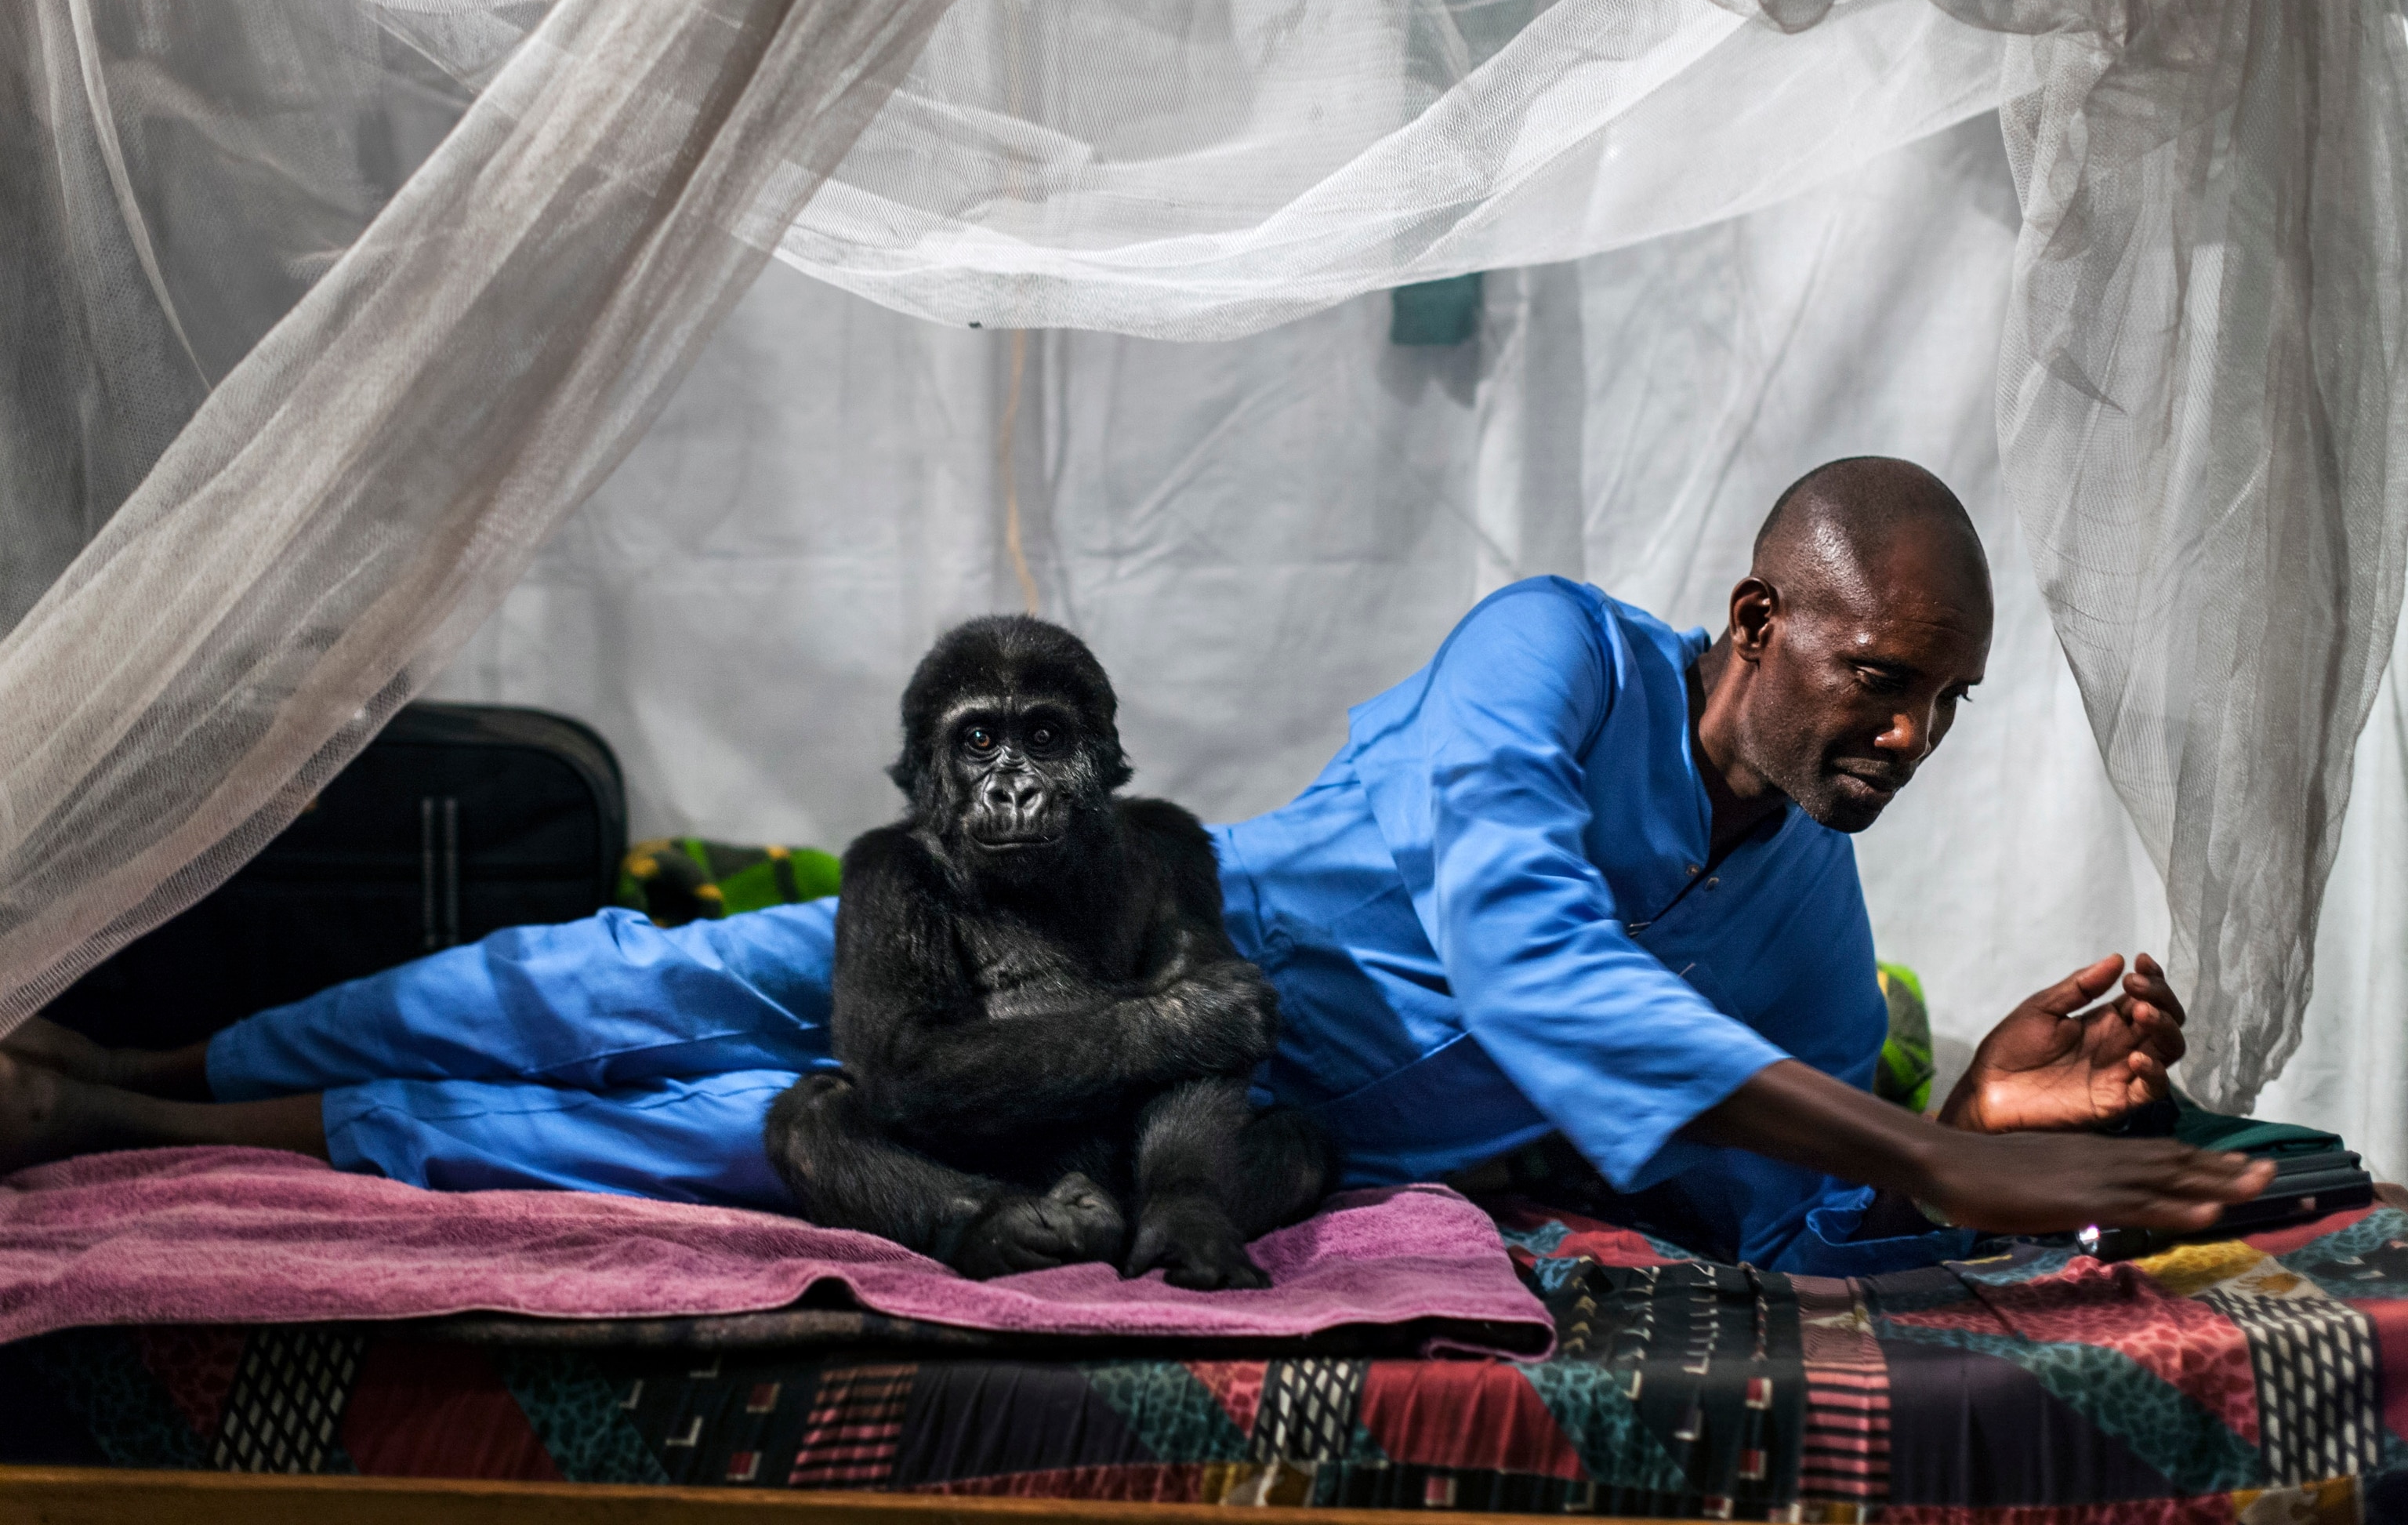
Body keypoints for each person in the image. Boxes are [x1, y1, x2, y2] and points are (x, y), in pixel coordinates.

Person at [0, 458, 2272, 1273]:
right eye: (1876, 676)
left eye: (1942, 709)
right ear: (1758, 624)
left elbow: (1765, 1203)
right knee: (619, 985)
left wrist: (1953, 1131)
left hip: (1187, 1106)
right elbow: (1537, 959)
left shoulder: (1804, 926)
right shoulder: (1552, 665)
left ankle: (107, 1124)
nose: (1902, 736)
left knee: (688, 1138)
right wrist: (1936, 1156)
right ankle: (162, 1052)